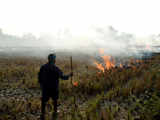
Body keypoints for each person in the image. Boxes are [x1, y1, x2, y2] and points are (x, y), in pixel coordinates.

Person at [38, 53, 73, 120]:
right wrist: (69, 75)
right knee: (55, 100)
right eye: (55, 59)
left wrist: (41, 85)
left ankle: (42, 113)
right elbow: (63, 77)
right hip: (54, 88)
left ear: (48, 59)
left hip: (45, 88)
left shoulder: (43, 67)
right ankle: (55, 112)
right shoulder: (56, 68)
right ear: (54, 60)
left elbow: (39, 76)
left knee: (44, 100)